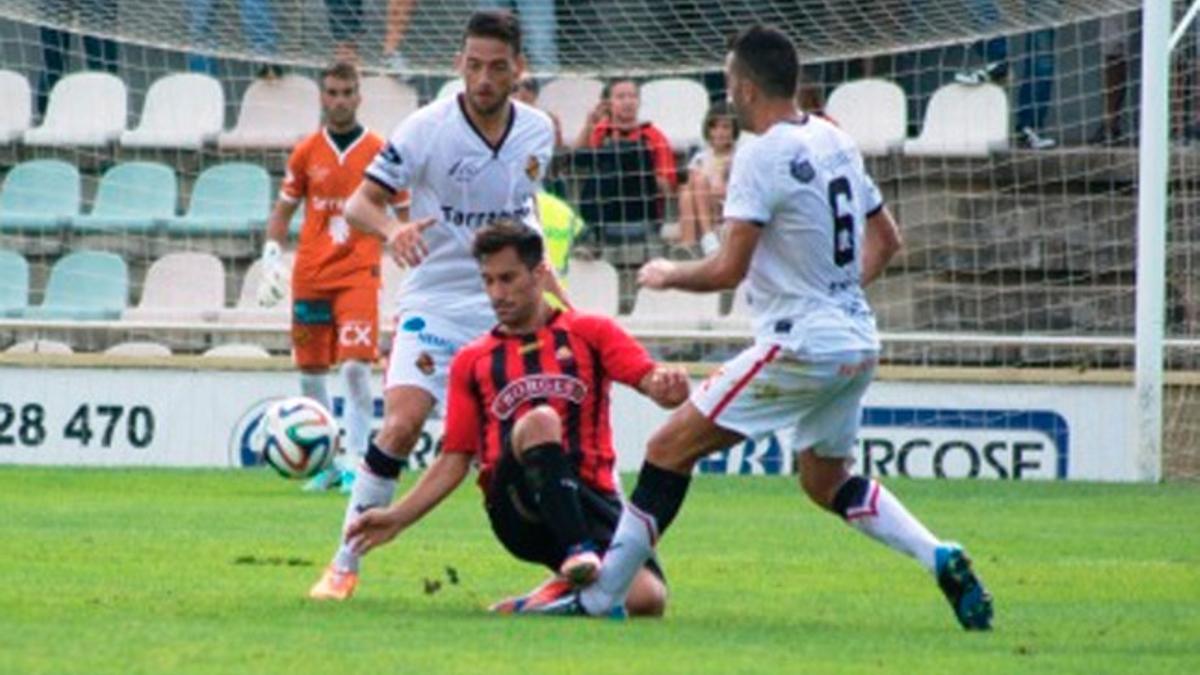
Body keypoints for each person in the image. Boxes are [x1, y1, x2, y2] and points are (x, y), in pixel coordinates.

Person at [518, 25, 994, 631]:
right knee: (825, 481)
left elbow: (727, 268)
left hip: (799, 342)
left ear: (743, 87)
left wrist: (667, 274)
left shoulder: (760, 155)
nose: (728, 91)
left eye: (728, 81)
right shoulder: (833, 137)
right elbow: (888, 240)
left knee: (667, 449)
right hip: (855, 341)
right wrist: (836, 296)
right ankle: (939, 554)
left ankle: (600, 594)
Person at [308, 9, 565, 600]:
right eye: (473, 66)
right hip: (434, 298)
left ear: (517, 70)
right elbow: (359, 206)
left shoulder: (538, 132)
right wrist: (391, 231)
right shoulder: (424, 128)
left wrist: (549, 288)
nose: (483, 79)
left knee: (540, 439)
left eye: (496, 68)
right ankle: (344, 563)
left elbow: (524, 214)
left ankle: (565, 563)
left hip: (503, 301)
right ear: (458, 65)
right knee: (399, 425)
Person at [345, 220, 688, 615]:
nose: (496, 294)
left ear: (540, 274)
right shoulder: (472, 360)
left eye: (507, 279)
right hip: (516, 506)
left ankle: (543, 602)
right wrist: (397, 517)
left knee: (647, 600)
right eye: (488, 281)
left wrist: (668, 388)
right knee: (539, 420)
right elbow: (455, 459)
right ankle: (576, 553)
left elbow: (649, 380)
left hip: (592, 498)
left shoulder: (591, 332)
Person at [257, 61, 402, 492]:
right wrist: (270, 257)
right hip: (311, 274)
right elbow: (282, 211)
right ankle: (327, 463)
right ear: (323, 97)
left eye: (347, 92)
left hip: (359, 271)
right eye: (332, 92)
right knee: (311, 373)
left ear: (359, 96)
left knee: (356, 370)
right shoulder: (305, 152)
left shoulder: (379, 149)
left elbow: (405, 207)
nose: (339, 100)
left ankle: (357, 461)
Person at [574, 78, 678, 199]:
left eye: (633, 96)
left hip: (641, 204)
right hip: (603, 204)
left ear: (639, 102)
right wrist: (589, 125)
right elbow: (577, 161)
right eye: (620, 97)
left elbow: (669, 187)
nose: (628, 102)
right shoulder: (600, 131)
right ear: (607, 103)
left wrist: (636, 172)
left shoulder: (653, 135)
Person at [677, 101, 738, 254]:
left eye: (725, 127)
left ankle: (701, 240)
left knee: (698, 183)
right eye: (714, 127)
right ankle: (692, 244)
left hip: (725, 207)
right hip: (703, 206)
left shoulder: (738, 157)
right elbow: (690, 187)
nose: (719, 132)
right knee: (686, 194)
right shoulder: (701, 157)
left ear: (734, 129)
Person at [513, 74, 564, 148]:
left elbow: (558, 151)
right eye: (515, 88)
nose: (522, 91)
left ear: (536, 93)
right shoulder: (500, 120)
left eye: (528, 86)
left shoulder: (549, 119)